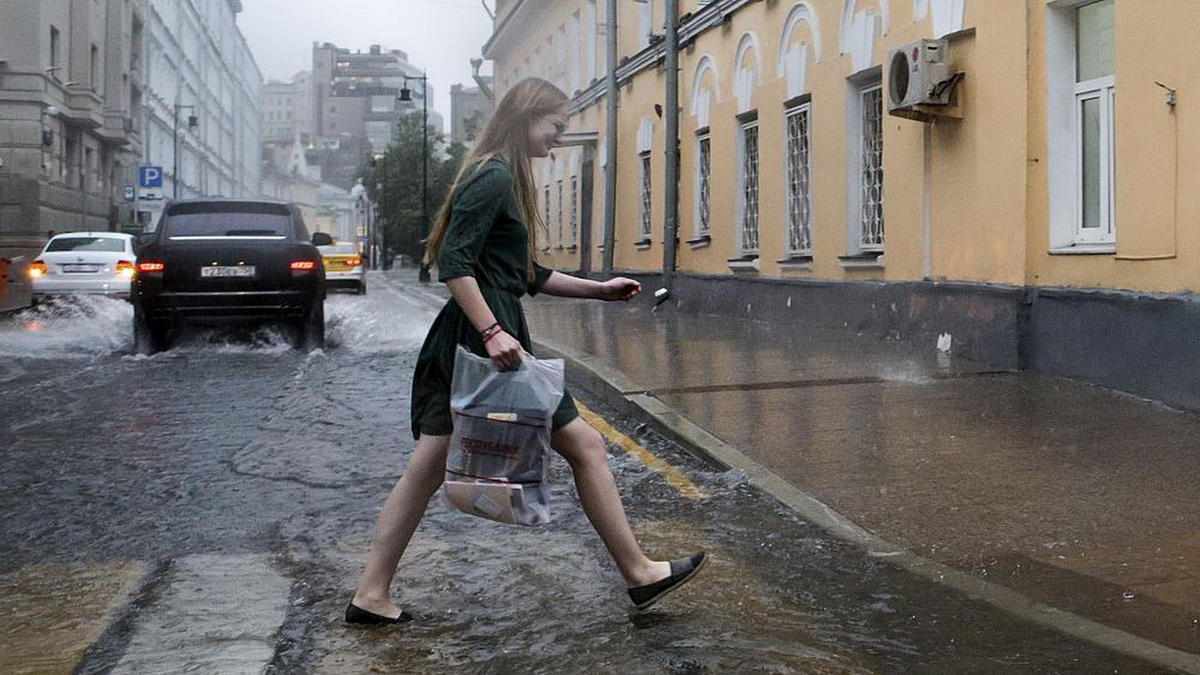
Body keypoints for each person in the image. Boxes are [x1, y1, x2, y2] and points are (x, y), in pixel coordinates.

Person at [346, 77, 706, 625]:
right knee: (584, 445)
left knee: (427, 468)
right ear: (526, 117)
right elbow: (455, 265)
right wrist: (492, 332)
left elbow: (526, 274)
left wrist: (599, 289)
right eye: (554, 126)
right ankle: (638, 572)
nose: (558, 139)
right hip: (481, 339)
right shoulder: (492, 176)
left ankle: (371, 593)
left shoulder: (503, 178)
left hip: (483, 335)